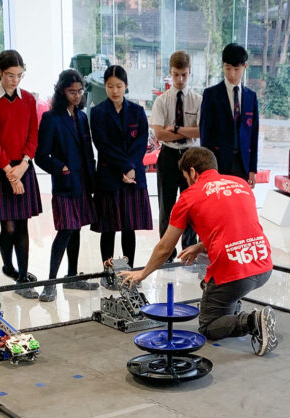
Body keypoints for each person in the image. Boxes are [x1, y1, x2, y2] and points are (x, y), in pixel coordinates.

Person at [118, 147, 277, 356]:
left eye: (185, 177)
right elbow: (236, 226)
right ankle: (234, 308)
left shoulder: (189, 196)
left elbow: (165, 247)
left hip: (234, 274)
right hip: (263, 266)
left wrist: (142, 273)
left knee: (209, 326)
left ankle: (251, 321)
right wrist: (201, 245)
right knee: (211, 280)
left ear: (192, 172)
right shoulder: (240, 184)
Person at [0, 50, 43, 299]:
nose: (15, 80)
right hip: (1, 169)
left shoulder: (28, 99)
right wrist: (9, 171)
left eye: (19, 75)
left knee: (23, 225)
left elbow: (33, 135)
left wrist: (24, 165)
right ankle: (8, 266)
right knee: (7, 226)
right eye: (10, 75)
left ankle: (23, 278)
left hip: (23, 167)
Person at [36, 69, 100, 302]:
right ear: (62, 91)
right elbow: (41, 155)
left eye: (80, 91)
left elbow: (88, 152)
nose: (76, 95)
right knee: (65, 230)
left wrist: (92, 180)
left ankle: (72, 277)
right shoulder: (51, 118)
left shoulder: (82, 117)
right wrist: (60, 167)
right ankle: (50, 283)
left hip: (83, 183)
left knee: (76, 230)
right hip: (65, 183)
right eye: (72, 91)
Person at [89, 65, 153, 286]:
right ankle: (107, 272)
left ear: (126, 86)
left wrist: (132, 168)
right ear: (104, 87)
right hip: (109, 176)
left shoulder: (137, 111)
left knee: (129, 226)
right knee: (108, 228)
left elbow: (141, 142)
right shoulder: (97, 112)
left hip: (133, 177)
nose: (114, 91)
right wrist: (125, 166)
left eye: (118, 86)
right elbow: (103, 145)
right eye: (110, 86)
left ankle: (130, 273)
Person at [150, 50, 201, 261]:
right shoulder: (162, 101)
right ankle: (167, 253)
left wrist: (176, 127)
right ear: (170, 73)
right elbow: (159, 133)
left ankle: (189, 249)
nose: (180, 80)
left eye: (184, 75)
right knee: (167, 206)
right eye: (176, 75)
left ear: (190, 73)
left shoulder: (198, 99)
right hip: (168, 156)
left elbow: (200, 131)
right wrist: (183, 130)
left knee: (191, 207)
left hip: (190, 156)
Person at [199, 43, 260, 186]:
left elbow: (253, 134)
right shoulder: (211, 94)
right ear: (223, 65)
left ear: (245, 67)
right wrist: (207, 168)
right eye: (227, 68)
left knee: (238, 204)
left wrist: (252, 168)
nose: (232, 74)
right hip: (218, 162)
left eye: (236, 69)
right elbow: (205, 134)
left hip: (242, 163)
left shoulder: (251, 97)